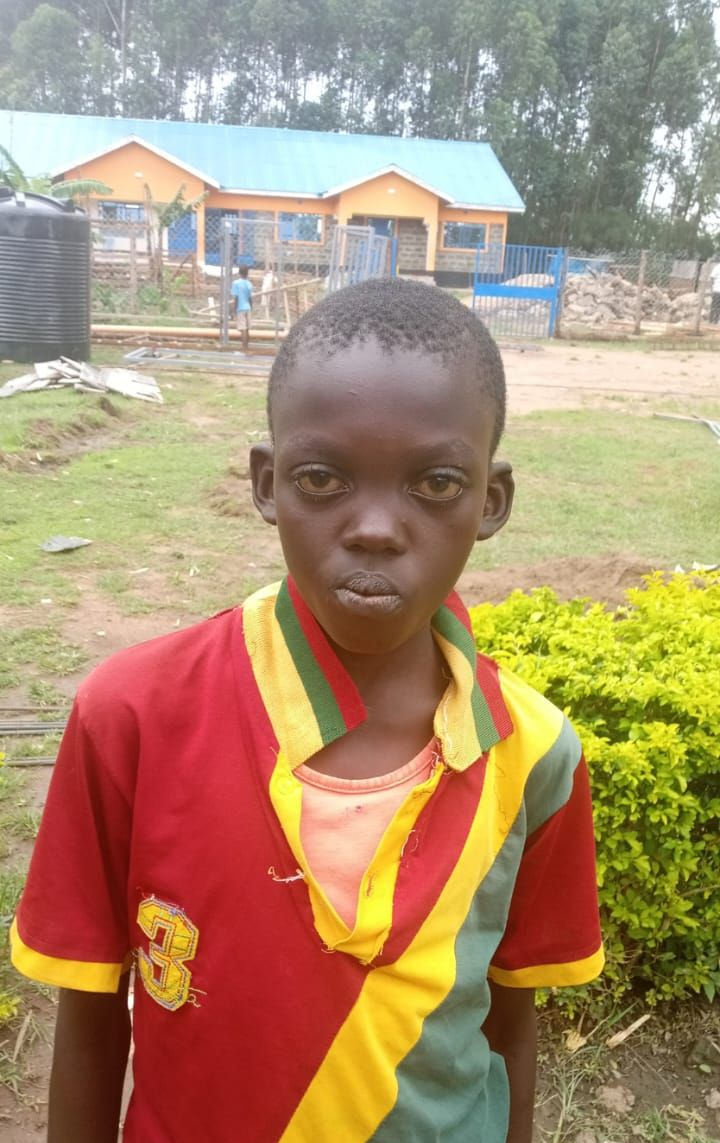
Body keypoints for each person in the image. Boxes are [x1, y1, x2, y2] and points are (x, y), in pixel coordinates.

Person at [11, 278, 603, 1143]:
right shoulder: (131, 716)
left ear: (492, 501)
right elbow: (91, 1018)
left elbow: (510, 1024)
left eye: (436, 482)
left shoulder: (537, 753)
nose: (373, 527)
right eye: (322, 477)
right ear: (266, 482)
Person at [231, 263, 253, 349]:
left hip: (240, 308)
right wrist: (251, 307)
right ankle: (247, 346)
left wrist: (234, 310)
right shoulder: (249, 284)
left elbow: (236, 298)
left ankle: (244, 347)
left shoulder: (236, 283)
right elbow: (250, 298)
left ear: (239, 273)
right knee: (247, 329)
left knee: (242, 328)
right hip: (248, 307)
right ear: (247, 273)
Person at [710, 260, 720, 324]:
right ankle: (712, 320)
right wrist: (713, 286)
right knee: (715, 306)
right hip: (717, 289)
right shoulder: (717, 267)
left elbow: (712, 277)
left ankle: (715, 320)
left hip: (716, 289)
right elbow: (712, 277)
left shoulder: (717, 267)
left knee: (716, 306)